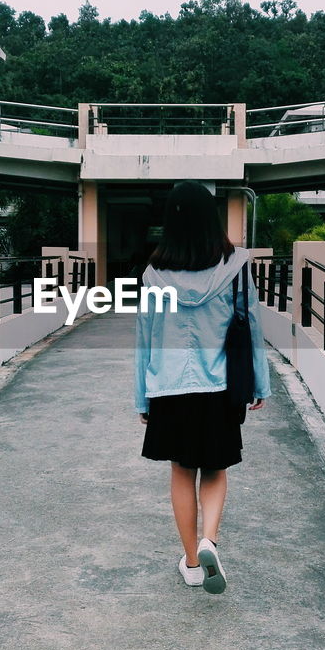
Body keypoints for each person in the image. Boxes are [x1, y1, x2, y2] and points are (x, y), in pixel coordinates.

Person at [135, 181, 270, 594]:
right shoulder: (238, 266)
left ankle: (192, 562)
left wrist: (142, 396)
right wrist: (259, 383)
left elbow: (146, 339)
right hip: (222, 384)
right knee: (215, 467)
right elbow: (252, 324)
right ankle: (210, 538)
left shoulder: (152, 274)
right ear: (211, 218)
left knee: (182, 469)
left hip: (169, 386)